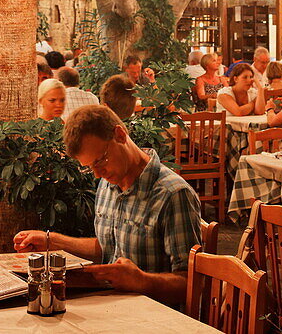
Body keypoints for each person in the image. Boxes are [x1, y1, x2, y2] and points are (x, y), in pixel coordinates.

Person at [14, 105, 202, 306]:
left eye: (100, 161)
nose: (97, 173)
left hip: (152, 318)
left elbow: (192, 286)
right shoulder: (109, 182)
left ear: (120, 135)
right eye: (90, 167)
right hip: (109, 306)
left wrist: (142, 281)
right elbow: (108, 246)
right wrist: (53, 242)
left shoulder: (172, 194)